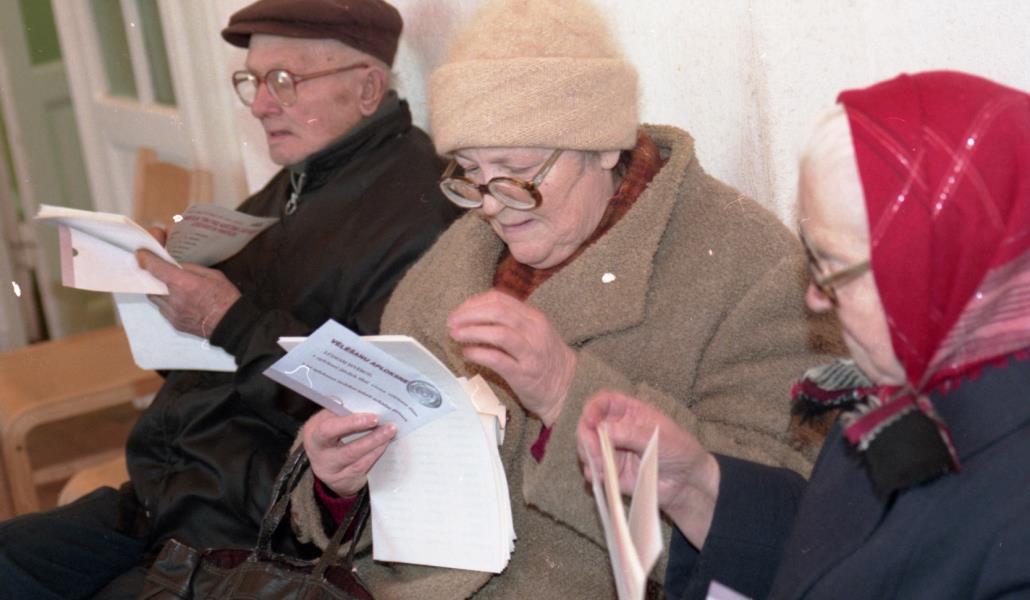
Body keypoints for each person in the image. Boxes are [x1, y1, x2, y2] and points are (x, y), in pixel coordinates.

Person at [288, 0, 842, 597]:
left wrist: (565, 391)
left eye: (517, 171)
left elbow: (778, 526)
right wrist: (338, 484)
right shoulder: (456, 261)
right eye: (469, 172)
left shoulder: (750, 266)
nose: (491, 206)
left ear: (603, 145)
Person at [0, 0, 458, 597]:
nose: (261, 104)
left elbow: (374, 408)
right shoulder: (296, 181)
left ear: (368, 88)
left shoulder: (419, 214)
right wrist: (168, 291)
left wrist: (225, 316)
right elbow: (208, 361)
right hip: (163, 497)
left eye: (284, 80)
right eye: (252, 81)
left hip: (249, 537)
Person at [577, 70, 1030, 599]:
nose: (814, 297)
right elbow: (826, 559)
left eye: (833, 268)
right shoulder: (896, 400)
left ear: (939, 269)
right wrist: (697, 488)